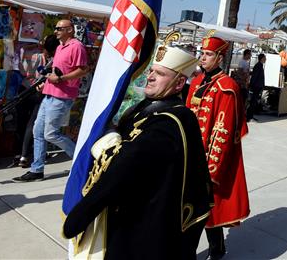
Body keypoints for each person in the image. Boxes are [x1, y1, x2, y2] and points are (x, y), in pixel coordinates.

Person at [62, 46, 213, 258]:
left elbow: (124, 166)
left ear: (179, 83)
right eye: (151, 70)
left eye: (160, 74)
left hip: (144, 225)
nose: (150, 77)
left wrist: (82, 213)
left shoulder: (171, 122)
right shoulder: (150, 105)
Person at [186, 33, 249, 260]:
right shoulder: (196, 82)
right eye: (202, 53)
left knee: (209, 210)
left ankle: (215, 249)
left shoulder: (227, 87)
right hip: (190, 153)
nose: (203, 58)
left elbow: (222, 132)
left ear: (220, 58)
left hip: (207, 158)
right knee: (194, 209)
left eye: (209, 54)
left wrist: (212, 169)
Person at [15, 19, 88, 182]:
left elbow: (83, 70)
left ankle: (79, 160)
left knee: (50, 134)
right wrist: (46, 81)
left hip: (62, 97)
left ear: (69, 30)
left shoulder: (76, 47)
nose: (56, 31)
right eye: (56, 28)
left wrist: (61, 78)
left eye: (59, 29)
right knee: (38, 132)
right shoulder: (60, 47)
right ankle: (36, 170)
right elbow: (56, 71)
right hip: (49, 94)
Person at [12, 34, 60, 168]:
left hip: (24, 88)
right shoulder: (54, 60)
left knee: (21, 121)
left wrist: (33, 45)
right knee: (32, 123)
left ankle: (17, 153)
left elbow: (20, 62)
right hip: (39, 92)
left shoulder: (32, 54)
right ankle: (24, 155)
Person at [247, 53, 266, 121]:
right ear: (262, 58)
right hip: (256, 87)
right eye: (264, 58)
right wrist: (252, 86)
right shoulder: (258, 66)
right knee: (253, 102)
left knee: (254, 102)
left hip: (258, 86)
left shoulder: (260, 65)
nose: (265, 59)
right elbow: (255, 76)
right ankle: (249, 116)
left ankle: (251, 115)